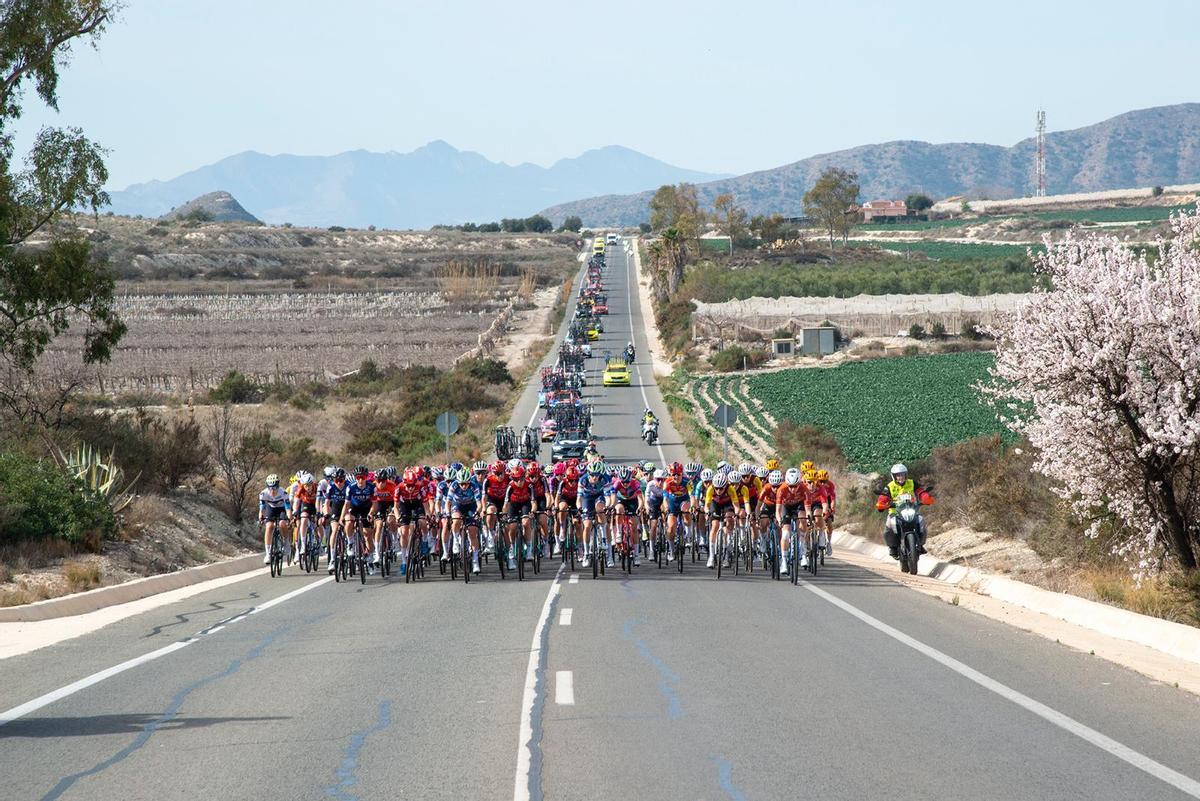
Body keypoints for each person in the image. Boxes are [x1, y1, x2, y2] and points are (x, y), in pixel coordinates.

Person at [875, 463, 933, 559]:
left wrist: (925, 498)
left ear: (906, 475)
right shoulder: (890, 486)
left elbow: (921, 491)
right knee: (889, 525)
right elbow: (883, 497)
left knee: (921, 521)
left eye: (902, 474)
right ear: (894, 476)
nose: (900, 477)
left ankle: (920, 544)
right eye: (898, 475)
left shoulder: (911, 483)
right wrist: (881, 504)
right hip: (895, 512)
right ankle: (893, 548)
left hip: (911, 509)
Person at [258, 474, 289, 565]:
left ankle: (286, 543)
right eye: (270, 488)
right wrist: (261, 517)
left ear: (278, 486)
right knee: (269, 526)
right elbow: (262, 508)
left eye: (274, 487)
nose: (272, 490)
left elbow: (288, 508)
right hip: (270, 508)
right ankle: (268, 553)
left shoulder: (283, 492)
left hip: (282, 509)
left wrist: (290, 517)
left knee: (282, 524)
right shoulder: (263, 493)